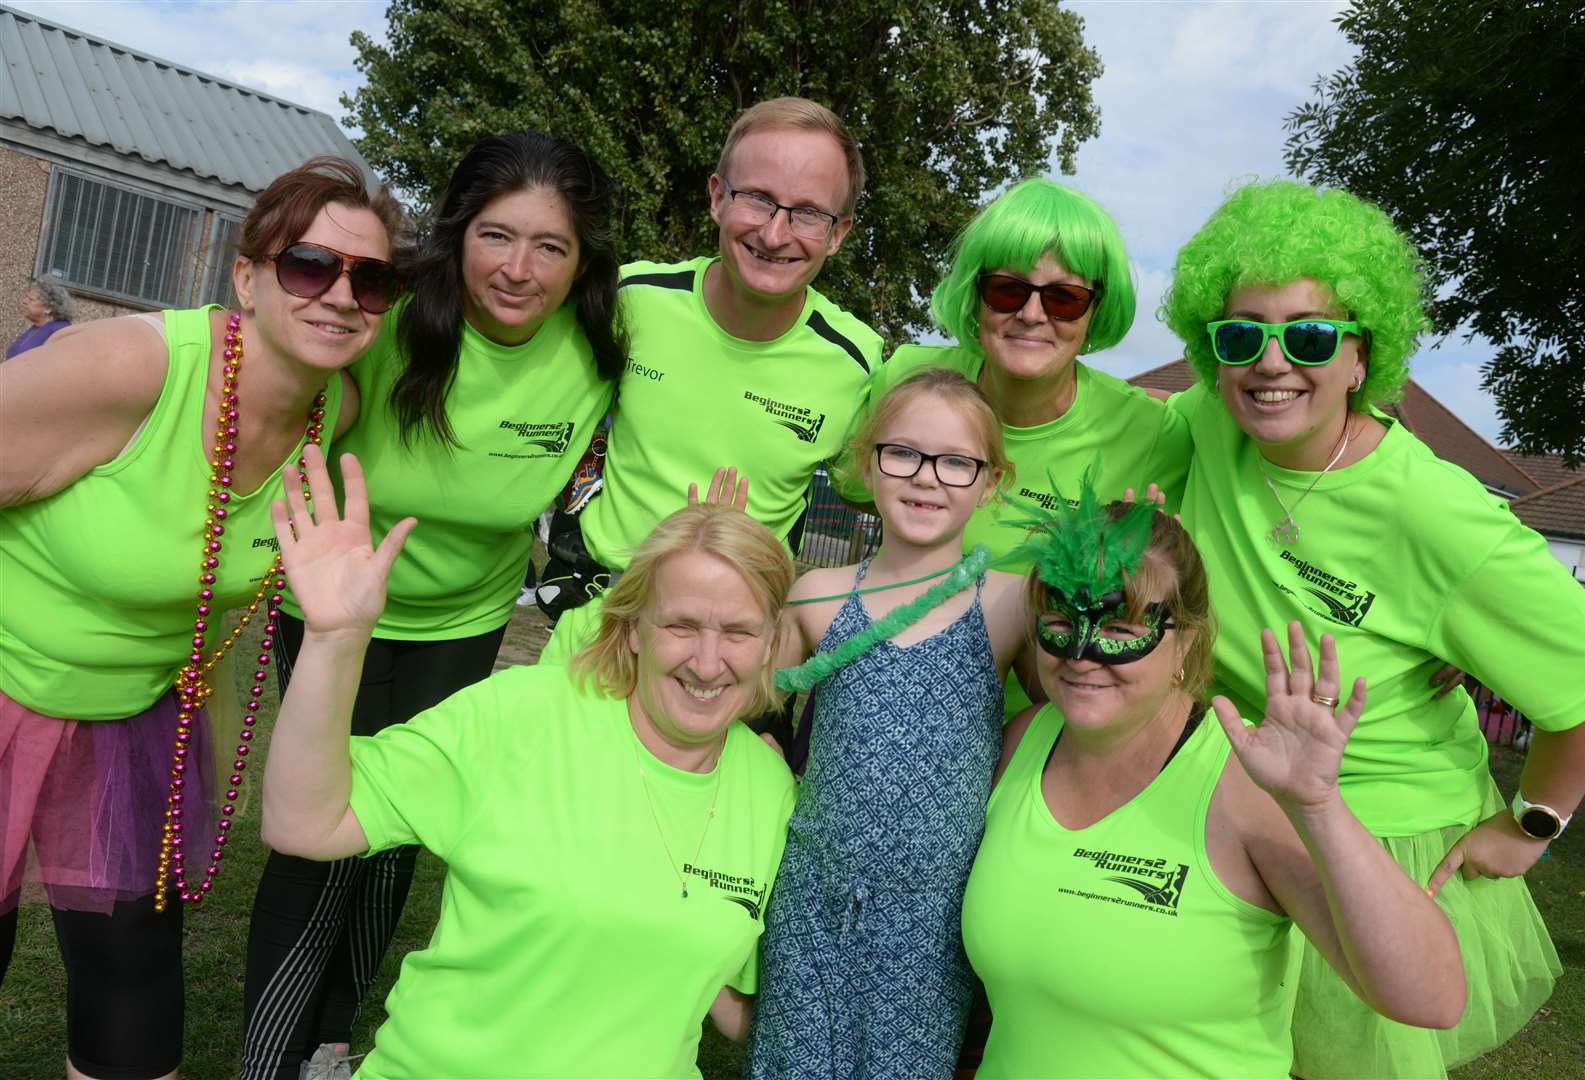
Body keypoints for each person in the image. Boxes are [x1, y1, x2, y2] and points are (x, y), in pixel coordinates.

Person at [1160, 179, 1585, 1077]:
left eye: (1310, 334)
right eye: (1242, 334)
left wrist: (1531, 826)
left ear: (1362, 356)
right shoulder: (1203, 428)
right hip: (1239, 806)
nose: (1271, 361)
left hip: (1380, 845)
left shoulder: (1436, 513)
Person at [0, 157, 402, 1080]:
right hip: (5, 676)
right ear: (247, 277)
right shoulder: (130, 365)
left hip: (125, 718)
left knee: (133, 990)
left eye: (371, 280)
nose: (341, 295)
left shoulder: (327, 411)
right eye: (309, 265)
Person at [240, 132, 625, 1080]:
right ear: (459, 233)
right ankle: (268, 1062)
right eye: (497, 236)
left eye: (551, 246)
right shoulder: (386, 314)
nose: (519, 269)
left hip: (465, 624)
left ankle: (328, 1045)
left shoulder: (602, 347)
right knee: (317, 842)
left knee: (397, 837)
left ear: (583, 262)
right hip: (338, 615)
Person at [259, 449, 797, 1079]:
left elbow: (736, 1002)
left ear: (768, 647)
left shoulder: (771, 792)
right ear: (631, 630)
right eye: (681, 624)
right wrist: (332, 641)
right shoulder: (521, 718)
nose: (708, 663)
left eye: (737, 631)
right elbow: (303, 823)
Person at [961, 494, 1468, 1078]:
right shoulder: (1021, 743)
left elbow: (1432, 998)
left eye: (1121, 627)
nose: (1081, 653)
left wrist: (1318, 807)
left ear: (1186, 641)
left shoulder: (1244, 785)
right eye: (1058, 619)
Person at [744, 369, 1040, 1078]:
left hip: (933, 922)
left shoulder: (1008, 606)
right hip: (814, 900)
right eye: (902, 452)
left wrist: (1120, 566)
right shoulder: (815, 596)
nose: (927, 478)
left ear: (990, 481)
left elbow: (1081, 699)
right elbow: (745, 712)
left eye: (956, 462)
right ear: (867, 463)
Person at [540, 96, 882, 661]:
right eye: (758, 199)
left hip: (733, 651)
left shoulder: (858, 362)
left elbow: (889, 495)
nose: (775, 234)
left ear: (839, 232)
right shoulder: (631, 300)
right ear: (718, 197)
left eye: (808, 213)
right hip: (596, 623)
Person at [839, 178, 1192, 720]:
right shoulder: (910, 378)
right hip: (881, 704)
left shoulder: (1151, 433)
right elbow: (858, 488)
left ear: (1096, 310)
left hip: (1049, 724)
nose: (1031, 314)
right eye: (1007, 289)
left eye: (1064, 298)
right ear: (975, 295)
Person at [6, 278, 75, 359]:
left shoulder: (60, 330)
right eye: (26, 297)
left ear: (48, 308)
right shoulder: (36, 327)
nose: (24, 301)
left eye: (31, 299)